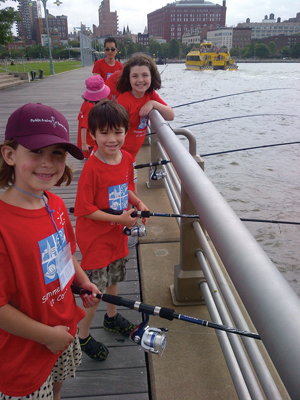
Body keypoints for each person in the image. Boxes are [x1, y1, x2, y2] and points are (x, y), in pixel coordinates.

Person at [0, 103, 101, 399]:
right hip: (24, 351)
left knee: (57, 388)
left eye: (57, 153)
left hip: (63, 327)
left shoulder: (54, 203)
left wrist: (81, 281)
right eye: (35, 151)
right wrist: (50, 337)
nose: (47, 163)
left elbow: (64, 252)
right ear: (9, 155)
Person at [74, 100, 149, 361]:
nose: (112, 139)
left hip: (117, 234)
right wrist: (123, 220)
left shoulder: (126, 158)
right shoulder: (92, 168)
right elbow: (85, 210)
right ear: (92, 135)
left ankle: (112, 317)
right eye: (104, 133)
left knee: (114, 277)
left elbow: (126, 187)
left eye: (117, 131)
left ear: (126, 132)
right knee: (94, 290)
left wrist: (137, 203)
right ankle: (82, 336)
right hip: (95, 239)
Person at [116, 54, 174, 188]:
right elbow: (112, 131)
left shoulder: (150, 95)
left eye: (145, 75)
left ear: (151, 77)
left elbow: (170, 115)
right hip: (117, 156)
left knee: (132, 189)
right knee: (120, 191)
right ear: (128, 78)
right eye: (135, 76)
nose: (140, 80)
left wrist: (153, 103)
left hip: (132, 158)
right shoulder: (124, 101)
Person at [77, 75, 110, 159]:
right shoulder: (90, 107)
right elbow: (84, 126)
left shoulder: (86, 103)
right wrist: (84, 144)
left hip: (88, 141)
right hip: (89, 143)